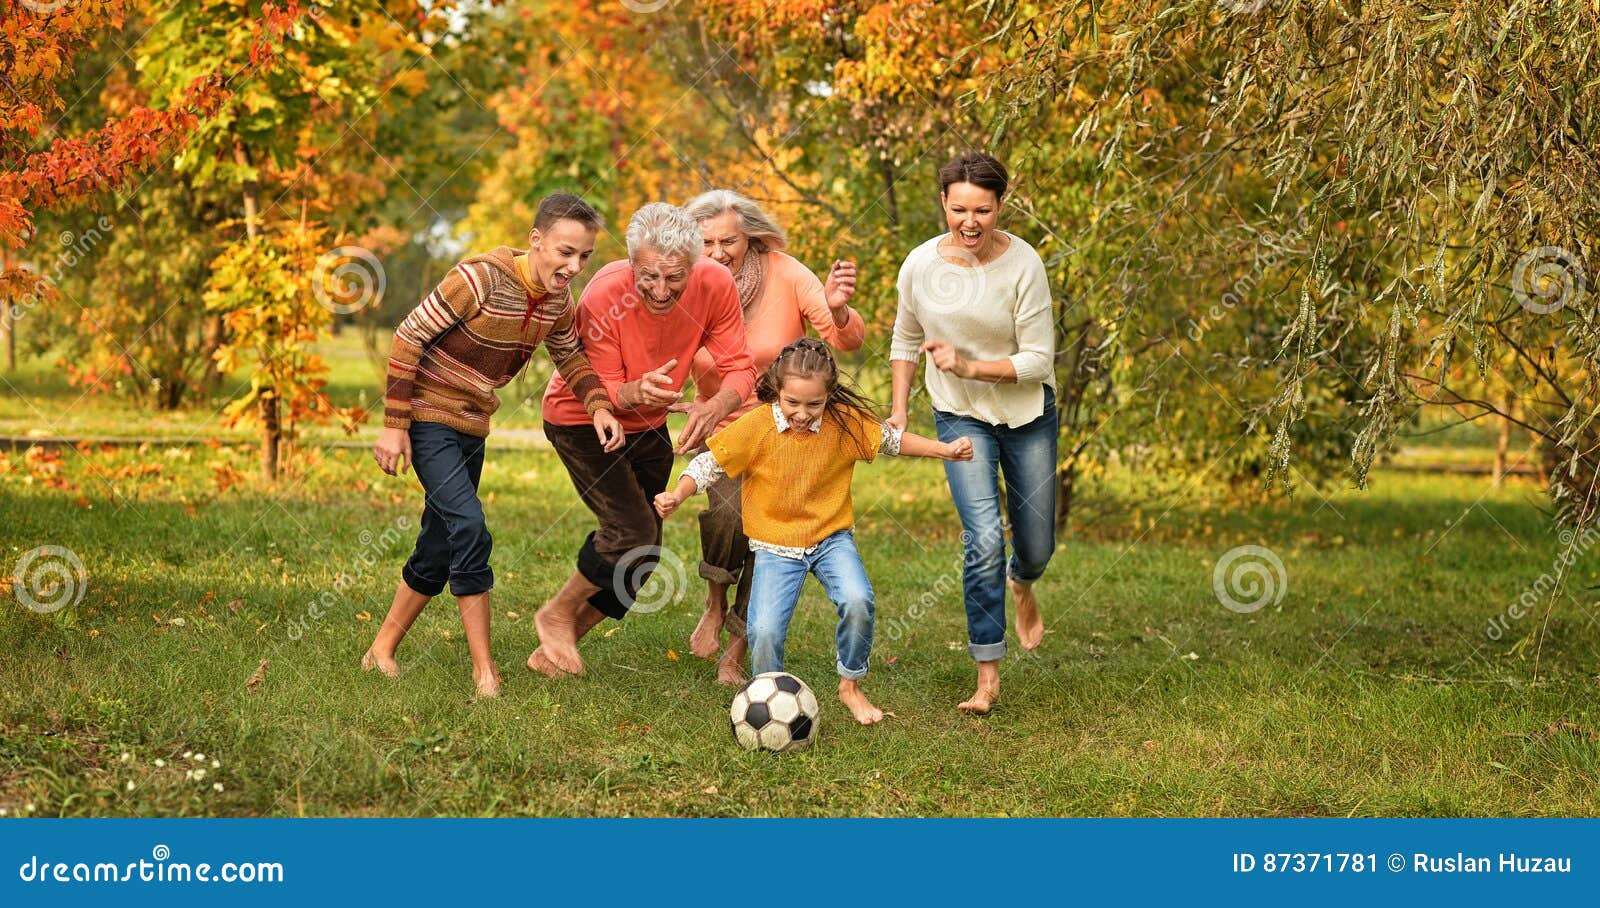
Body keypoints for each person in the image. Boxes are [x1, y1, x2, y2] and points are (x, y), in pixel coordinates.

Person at [364, 193, 622, 698]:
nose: (573, 266)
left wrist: (599, 407)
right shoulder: (478, 279)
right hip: (428, 419)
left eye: (585, 257)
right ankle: (485, 672)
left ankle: (381, 650)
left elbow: (570, 356)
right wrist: (395, 424)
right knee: (469, 527)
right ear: (536, 240)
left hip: (472, 425)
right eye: (565, 252)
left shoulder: (555, 300)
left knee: (439, 542)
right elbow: (408, 336)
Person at [654, 338, 973, 724]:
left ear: (829, 397)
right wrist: (678, 494)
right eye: (792, 403)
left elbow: (892, 440)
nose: (802, 414)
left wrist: (946, 450)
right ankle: (767, 697)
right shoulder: (756, 426)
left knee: (858, 600)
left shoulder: (843, 423)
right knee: (765, 630)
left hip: (829, 539)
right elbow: (708, 465)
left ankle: (850, 686)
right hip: (774, 544)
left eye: (814, 404)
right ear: (776, 391)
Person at [528, 202, 756, 678]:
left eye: (674, 278)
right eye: (648, 276)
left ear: (693, 264)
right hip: (583, 418)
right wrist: (633, 391)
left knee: (643, 556)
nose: (659, 290)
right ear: (632, 262)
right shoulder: (606, 292)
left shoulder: (715, 284)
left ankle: (554, 649)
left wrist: (713, 406)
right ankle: (554, 614)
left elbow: (740, 368)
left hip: (649, 424)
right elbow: (598, 387)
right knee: (631, 531)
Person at [888, 152, 1058, 715]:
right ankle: (987, 676)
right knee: (983, 537)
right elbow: (905, 338)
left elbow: (1038, 360)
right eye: (958, 208)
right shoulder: (919, 265)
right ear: (943, 203)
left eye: (982, 210)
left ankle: (1023, 583)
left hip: (1027, 414)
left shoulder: (1024, 265)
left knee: (1035, 545)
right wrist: (899, 412)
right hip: (960, 416)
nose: (969, 222)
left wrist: (971, 366)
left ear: (1000, 206)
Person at [680, 189, 865, 684]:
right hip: (722, 424)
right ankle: (715, 599)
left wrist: (838, 309)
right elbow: (668, 351)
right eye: (707, 243)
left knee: (771, 537)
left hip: (787, 429)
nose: (718, 252)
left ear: (752, 237)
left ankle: (736, 652)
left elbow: (845, 339)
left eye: (729, 241)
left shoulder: (785, 272)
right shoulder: (688, 283)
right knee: (726, 513)